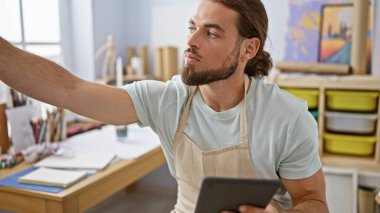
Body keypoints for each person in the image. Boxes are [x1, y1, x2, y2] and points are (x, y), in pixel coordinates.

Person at [0, 0, 328, 212]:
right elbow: (69, 90)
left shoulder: (286, 117)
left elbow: (313, 202)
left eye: (211, 33)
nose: (191, 40)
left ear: (248, 49)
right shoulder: (167, 100)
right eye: (192, 27)